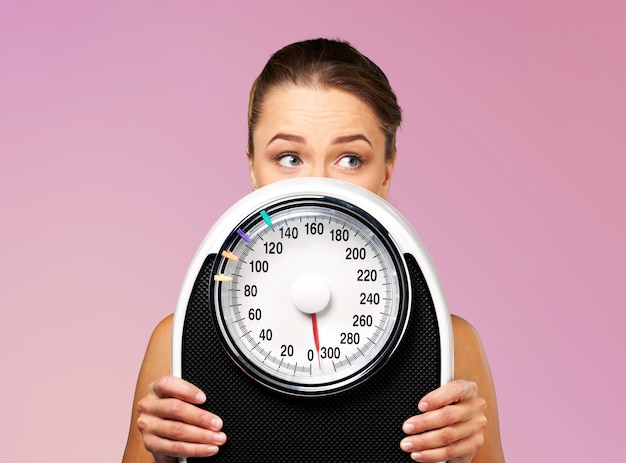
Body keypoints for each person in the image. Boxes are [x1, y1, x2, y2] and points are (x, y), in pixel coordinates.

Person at [122, 38, 505, 463]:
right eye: (289, 157)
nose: (318, 184)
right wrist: (166, 459)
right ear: (253, 166)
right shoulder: (176, 339)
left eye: (350, 160)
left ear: (386, 173)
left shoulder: (452, 344)